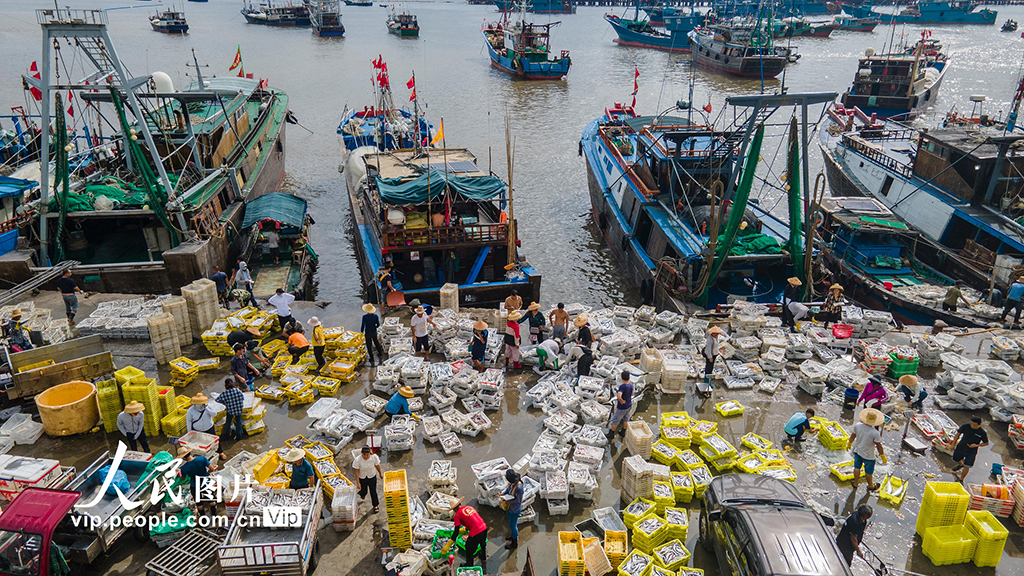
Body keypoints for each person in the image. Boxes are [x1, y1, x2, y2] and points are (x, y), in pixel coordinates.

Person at [848, 408, 886, 490]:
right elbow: (879, 445)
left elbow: (853, 436)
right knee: (868, 472)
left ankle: (855, 483)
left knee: (857, 467)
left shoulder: (857, 425)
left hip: (858, 451)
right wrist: (882, 455)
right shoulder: (875, 433)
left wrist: (849, 443)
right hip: (869, 455)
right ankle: (870, 486)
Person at [178, 447, 218, 516]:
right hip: (205, 483)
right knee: (211, 500)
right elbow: (212, 468)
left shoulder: (184, 468)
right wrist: (207, 473)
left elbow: (183, 478)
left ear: (183, 458)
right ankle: (215, 515)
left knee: (199, 503)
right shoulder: (202, 459)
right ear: (190, 453)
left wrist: (178, 474)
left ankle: (203, 519)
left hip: (194, 485)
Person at [449, 499, 487, 568]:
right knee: (482, 543)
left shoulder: (457, 515)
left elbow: (456, 531)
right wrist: (465, 529)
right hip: (484, 527)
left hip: (476, 532)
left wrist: (450, 542)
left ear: (454, 509)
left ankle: (469, 564)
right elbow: (472, 520)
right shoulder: (469, 507)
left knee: (468, 548)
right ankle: (484, 557)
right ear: (460, 504)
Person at [186, 393, 225, 459]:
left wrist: (206, 409)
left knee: (215, 441)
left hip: (209, 428)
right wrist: (189, 432)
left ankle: (220, 452)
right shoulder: (190, 411)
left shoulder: (208, 406)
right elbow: (189, 421)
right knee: (201, 443)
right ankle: (205, 456)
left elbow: (214, 414)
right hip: (198, 429)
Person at [951, 416, 989, 483]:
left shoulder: (982, 432)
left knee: (967, 465)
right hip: (962, 446)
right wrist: (953, 444)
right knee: (955, 458)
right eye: (971, 423)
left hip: (972, 450)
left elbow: (986, 443)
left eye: (974, 425)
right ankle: (960, 464)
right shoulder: (965, 426)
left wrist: (977, 445)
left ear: (979, 425)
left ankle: (961, 479)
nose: (972, 426)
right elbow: (958, 434)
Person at [354, 445, 383, 514]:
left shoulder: (374, 458)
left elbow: (377, 466)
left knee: (373, 491)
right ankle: (362, 494)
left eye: (367, 455)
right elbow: (356, 472)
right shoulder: (358, 460)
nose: (366, 456)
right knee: (364, 490)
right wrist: (358, 483)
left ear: (370, 453)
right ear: (361, 454)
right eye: (364, 455)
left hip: (372, 477)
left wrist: (380, 473)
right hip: (362, 478)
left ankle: (375, 505)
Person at [501, 469, 524, 550]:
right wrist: (503, 494)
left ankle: (514, 542)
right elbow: (508, 490)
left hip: (515, 510)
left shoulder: (519, 488)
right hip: (509, 508)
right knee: (510, 522)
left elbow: (518, 501)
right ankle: (512, 535)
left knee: (513, 525)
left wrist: (507, 500)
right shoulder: (511, 484)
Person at [608, 370, 635, 438]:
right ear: (629, 378)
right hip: (629, 405)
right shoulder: (631, 385)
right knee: (626, 418)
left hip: (622, 407)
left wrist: (621, 400)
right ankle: (623, 432)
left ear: (622, 378)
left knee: (616, 419)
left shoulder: (622, 386)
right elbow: (632, 394)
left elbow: (619, 396)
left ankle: (611, 433)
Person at [700, 326, 725, 399]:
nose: (717, 334)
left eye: (717, 333)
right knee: (709, 368)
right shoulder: (710, 339)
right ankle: (707, 381)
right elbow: (708, 350)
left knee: (710, 367)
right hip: (710, 356)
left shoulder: (716, 338)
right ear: (712, 333)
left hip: (714, 355)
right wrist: (710, 357)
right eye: (715, 333)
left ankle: (707, 379)